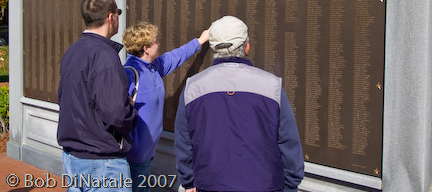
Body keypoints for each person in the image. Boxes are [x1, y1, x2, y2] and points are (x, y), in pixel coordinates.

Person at [174, 16, 305, 192]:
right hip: (266, 186)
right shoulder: (272, 87)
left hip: (209, 185)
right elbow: (289, 142)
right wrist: (291, 185)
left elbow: (184, 142)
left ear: (213, 48)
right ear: (247, 47)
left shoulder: (192, 88)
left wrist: (188, 183)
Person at [57, 0, 137, 192]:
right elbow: (115, 113)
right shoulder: (105, 56)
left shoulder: (74, 50)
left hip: (74, 157)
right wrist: (130, 111)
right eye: (118, 12)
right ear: (111, 17)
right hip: (101, 163)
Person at [122, 22, 210, 192]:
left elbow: (175, 56)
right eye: (155, 42)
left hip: (147, 151)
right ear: (146, 48)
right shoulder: (129, 74)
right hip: (134, 155)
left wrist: (200, 41)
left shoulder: (153, 67)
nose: (159, 44)